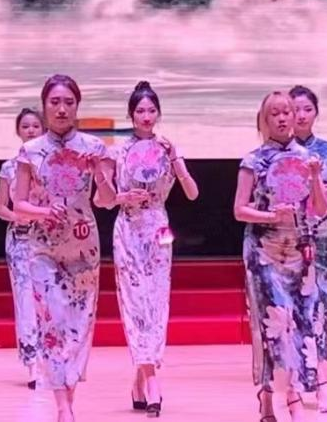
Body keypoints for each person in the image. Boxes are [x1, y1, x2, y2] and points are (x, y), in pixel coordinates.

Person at [11, 75, 117, 422]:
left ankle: (68, 398)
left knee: (80, 325)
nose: (61, 109)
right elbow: (19, 204)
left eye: (68, 102)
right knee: (52, 323)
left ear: (77, 106)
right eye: (54, 102)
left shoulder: (94, 147)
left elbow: (107, 200)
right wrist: (43, 212)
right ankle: (62, 407)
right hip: (44, 247)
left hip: (83, 245)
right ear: (44, 106)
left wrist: (98, 172)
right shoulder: (30, 151)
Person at [105, 81, 200, 417]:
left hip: (158, 229)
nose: (146, 116)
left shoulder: (167, 148)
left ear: (158, 113)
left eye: (151, 110)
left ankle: (139, 380)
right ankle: (154, 384)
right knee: (135, 304)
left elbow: (192, 193)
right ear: (131, 115)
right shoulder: (117, 151)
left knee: (155, 304)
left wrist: (175, 158)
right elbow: (102, 199)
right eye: (140, 110)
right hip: (128, 229)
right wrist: (122, 197)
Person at [234, 90, 327, 422]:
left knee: (301, 324)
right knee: (275, 324)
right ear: (264, 120)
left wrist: (315, 176)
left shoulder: (308, 158)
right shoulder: (253, 161)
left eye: (287, 111)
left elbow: (320, 209)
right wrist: (271, 216)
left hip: (300, 251)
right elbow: (240, 210)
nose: (283, 117)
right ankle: (283, 398)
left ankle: (281, 395)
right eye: (274, 113)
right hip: (264, 253)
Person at [288, 85, 327, 414]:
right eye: (294, 109)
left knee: (320, 305)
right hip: (289, 236)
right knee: (295, 306)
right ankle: (305, 381)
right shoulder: (278, 153)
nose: (300, 115)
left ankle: (317, 376)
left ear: (316, 112)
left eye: (307, 109)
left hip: (324, 235)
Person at [0, 108, 45, 388]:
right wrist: (17, 216)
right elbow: (0, 207)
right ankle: (33, 365)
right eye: (25, 126)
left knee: (48, 299)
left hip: (49, 238)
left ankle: (52, 360)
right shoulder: (9, 167)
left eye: (35, 125)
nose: (30, 130)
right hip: (20, 238)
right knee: (25, 300)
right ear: (18, 130)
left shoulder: (51, 164)